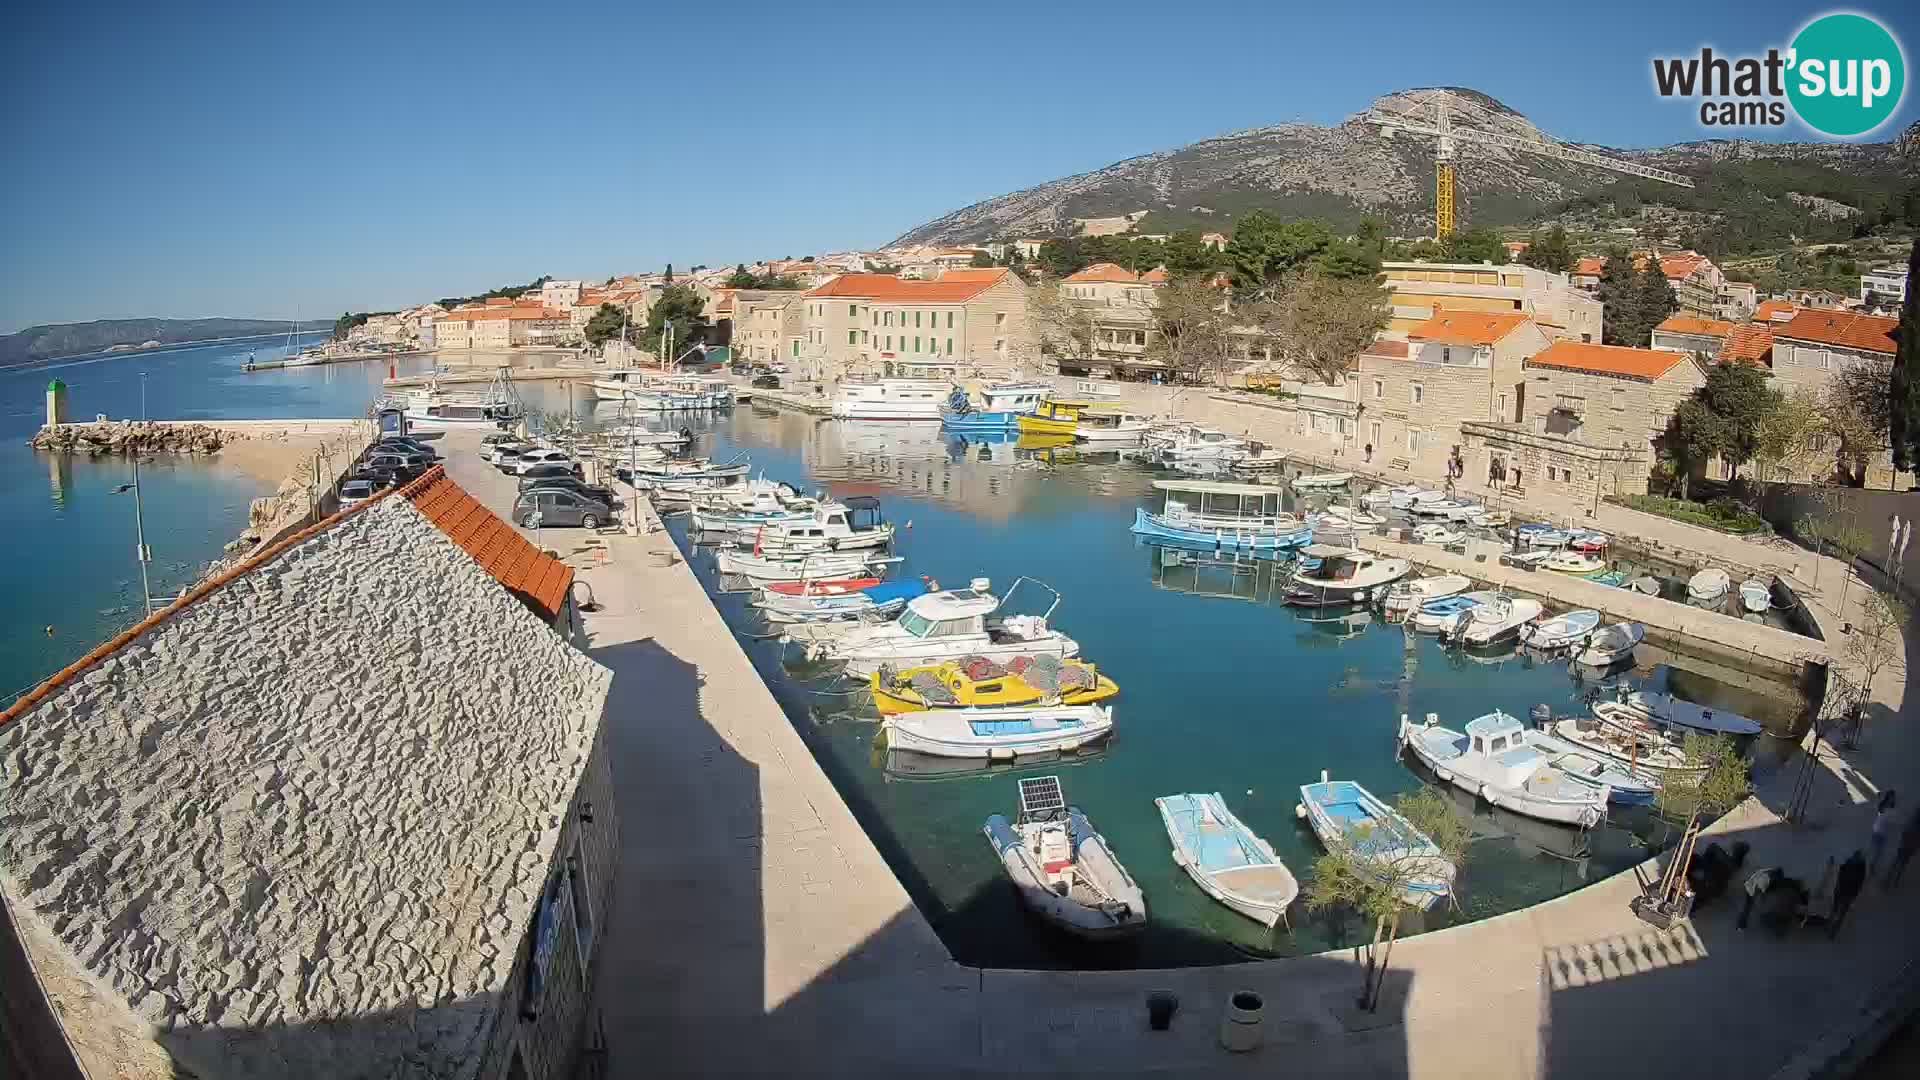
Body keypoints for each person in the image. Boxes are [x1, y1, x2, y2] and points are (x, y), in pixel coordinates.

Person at [1829, 850, 1867, 939]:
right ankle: (1832, 929)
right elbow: (1860, 882)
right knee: (1839, 912)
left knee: (1838, 911)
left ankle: (1832, 928)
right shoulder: (1859, 865)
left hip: (1844, 891)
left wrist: (1837, 885)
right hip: (1845, 891)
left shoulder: (1853, 863)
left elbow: (1841, 873)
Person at [1737, 865, 1781, 931]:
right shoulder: (1767, 879)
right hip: (1751, 892)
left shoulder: (1765, 872)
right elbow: (1761, 890)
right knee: (1747, 909)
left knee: (1747, 908)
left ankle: (1741, 924)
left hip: (1749, 885)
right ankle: (1741, 925)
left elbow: (1759, 872)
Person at [1888, 810, 1920, 887]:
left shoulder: (1911, 823)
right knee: (1902, 865)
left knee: (1896, 861)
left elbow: (1904, 832)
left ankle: (1888, 879)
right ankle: (1896, 880)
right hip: (1910, 849)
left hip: (1904, 845)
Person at [1870, 791, 1898, 876]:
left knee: (1879, 851)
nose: (1892, 799)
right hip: (1878, 830)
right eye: (1891, 797)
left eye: (1893, 797)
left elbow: (1891, 819)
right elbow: (1884, 816)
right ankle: (1872, 867)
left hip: (1882, 831)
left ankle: (1873, 866)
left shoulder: (1889, 808)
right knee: (1877, 851)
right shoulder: (1883, 806)